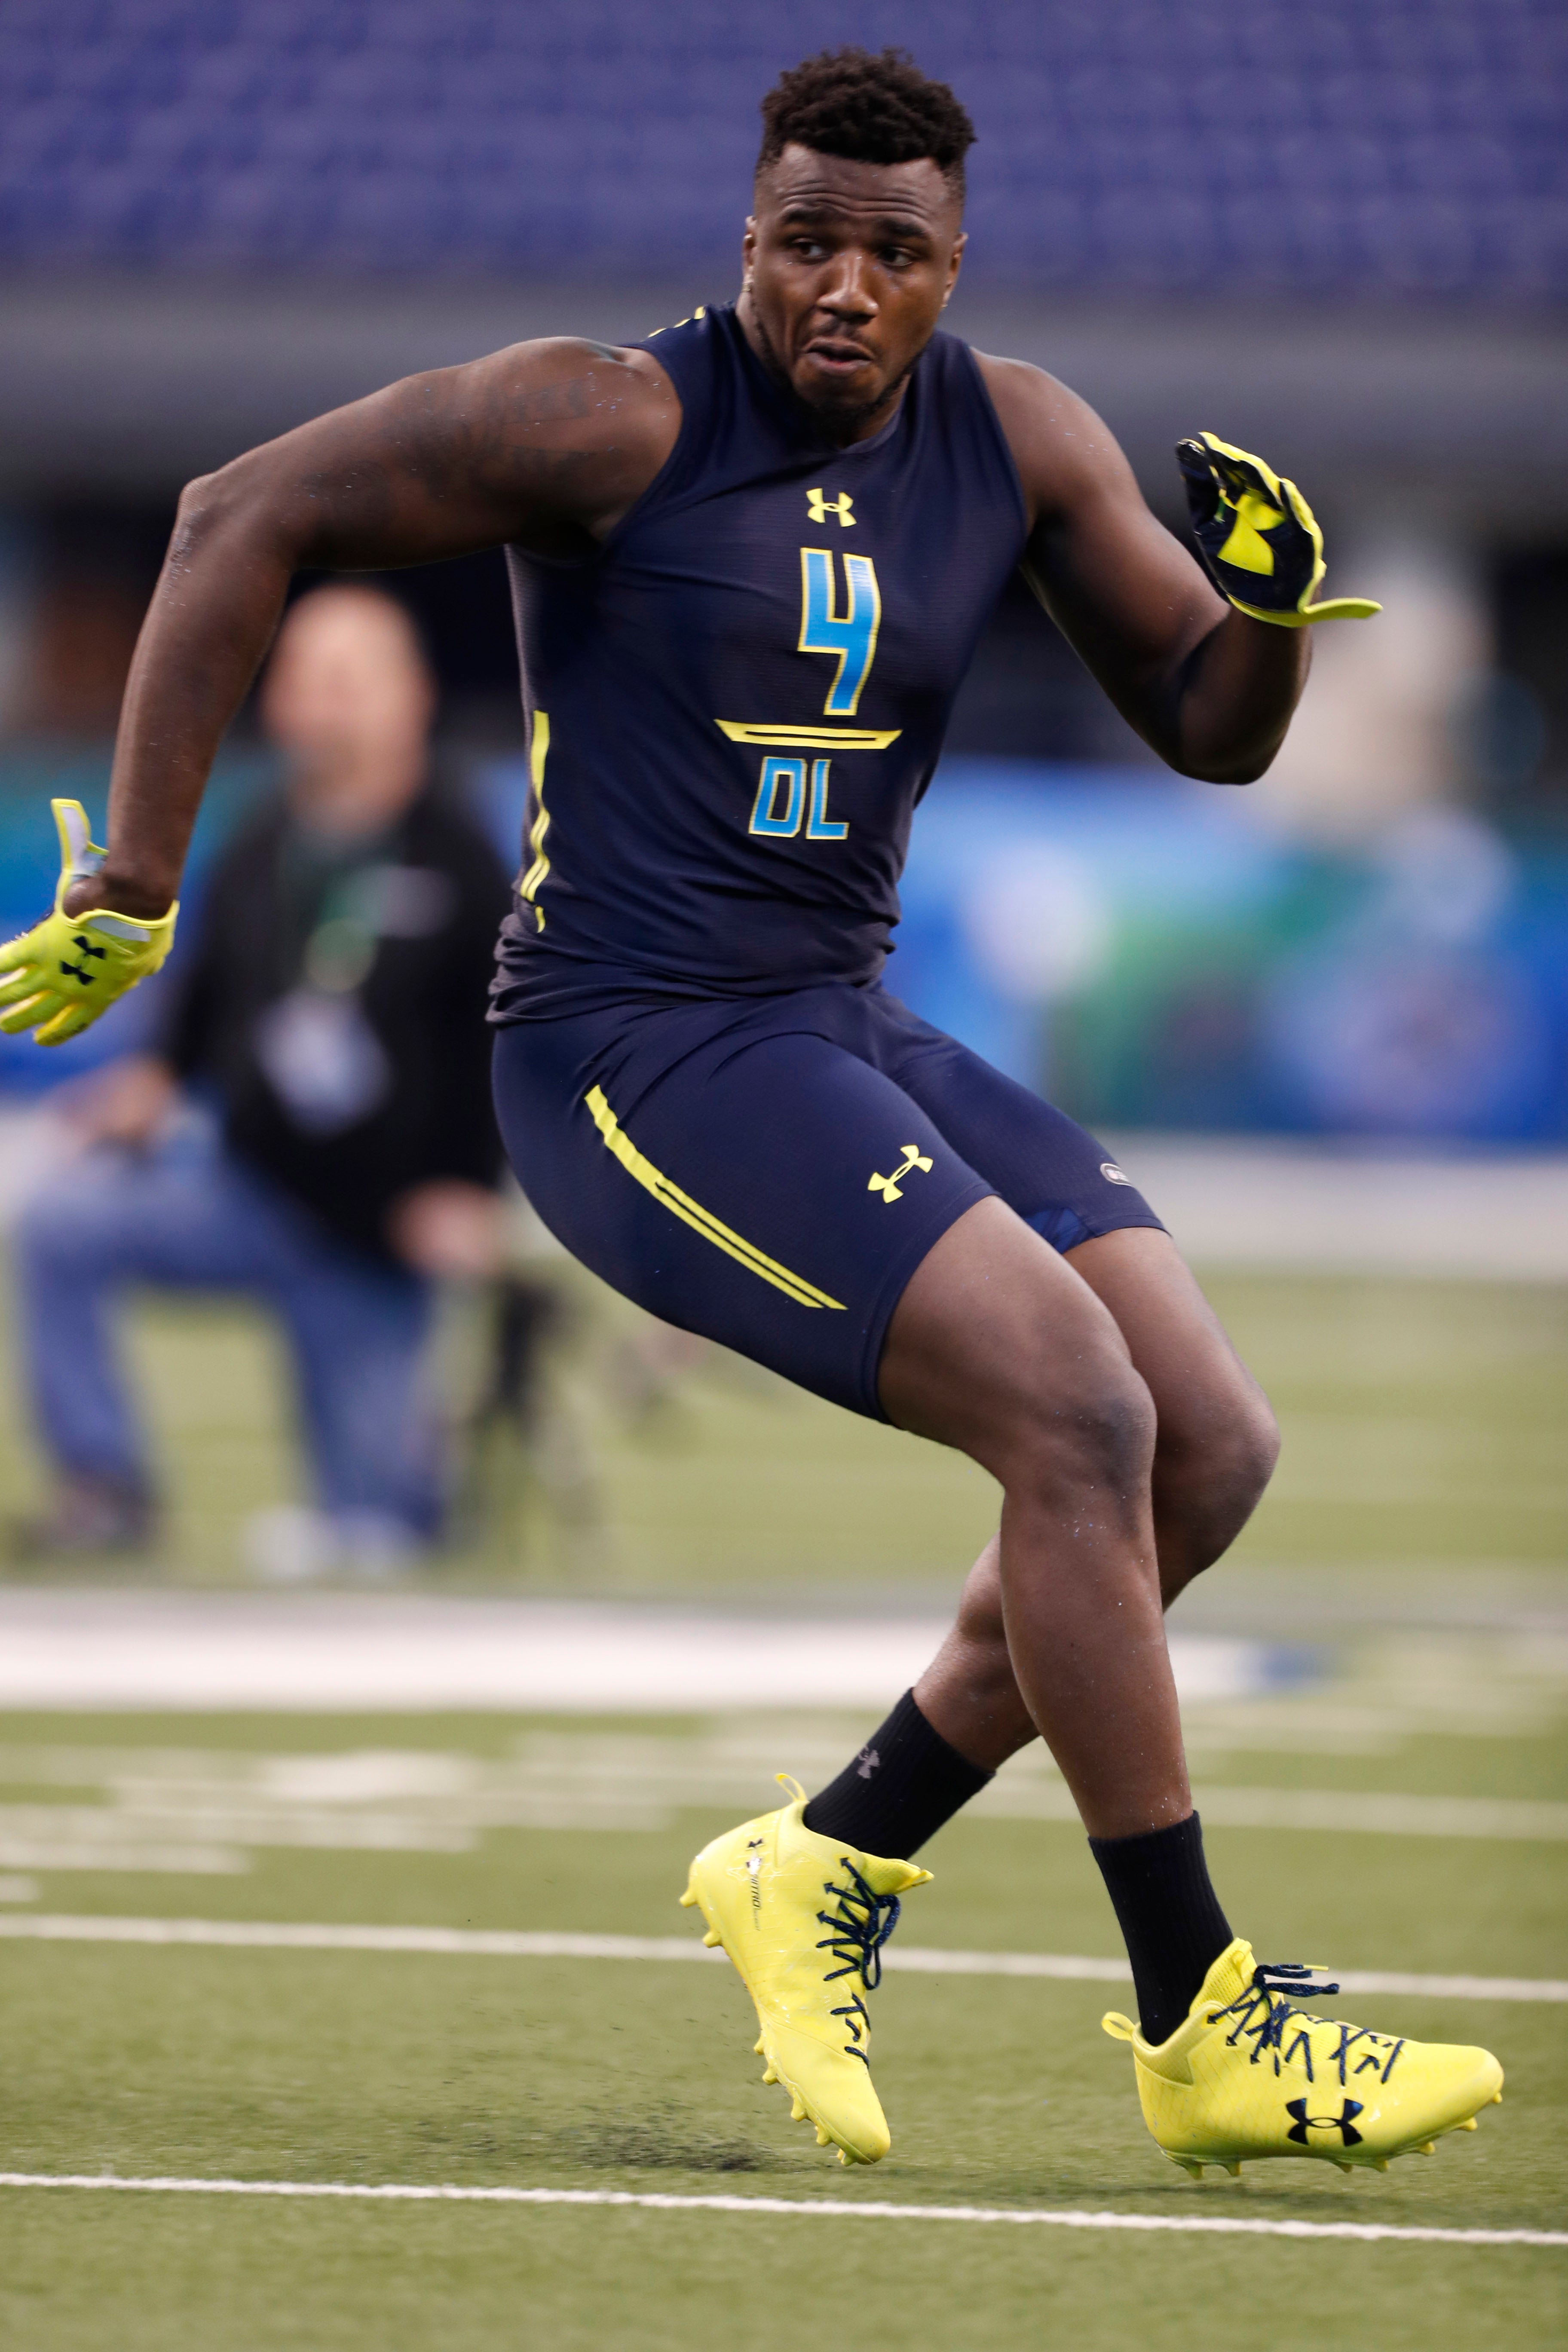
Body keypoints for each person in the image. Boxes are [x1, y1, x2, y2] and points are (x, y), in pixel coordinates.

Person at [0, 49, 1501, 2176]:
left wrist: (1259, 609)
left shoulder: (1015, 428)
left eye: (893, 253)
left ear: (948, 265)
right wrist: (139, 876)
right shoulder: (612, 413)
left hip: (831, 1017)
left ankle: (828, 1855)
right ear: (749, 238)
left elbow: (1210, 727)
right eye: (807, 239)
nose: (844, 289)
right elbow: (239, 512)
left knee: (1209, 1442)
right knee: (1079, 1419)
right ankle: (1204, 2017)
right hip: (627, 1046)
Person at [10, 584, 512, 1573]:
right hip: (249, 1188)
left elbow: (505, 1042)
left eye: (346, 681)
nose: (321, 705)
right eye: (303, 681)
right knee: (59, 1223)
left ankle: (420, 1460)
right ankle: (103, 1484)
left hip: (380, 1230)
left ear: (409, 695)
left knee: (378, 1533)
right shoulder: (259, 837)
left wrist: (471, 1191)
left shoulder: (462, 853)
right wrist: (153, 1082)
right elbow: (205, 997)